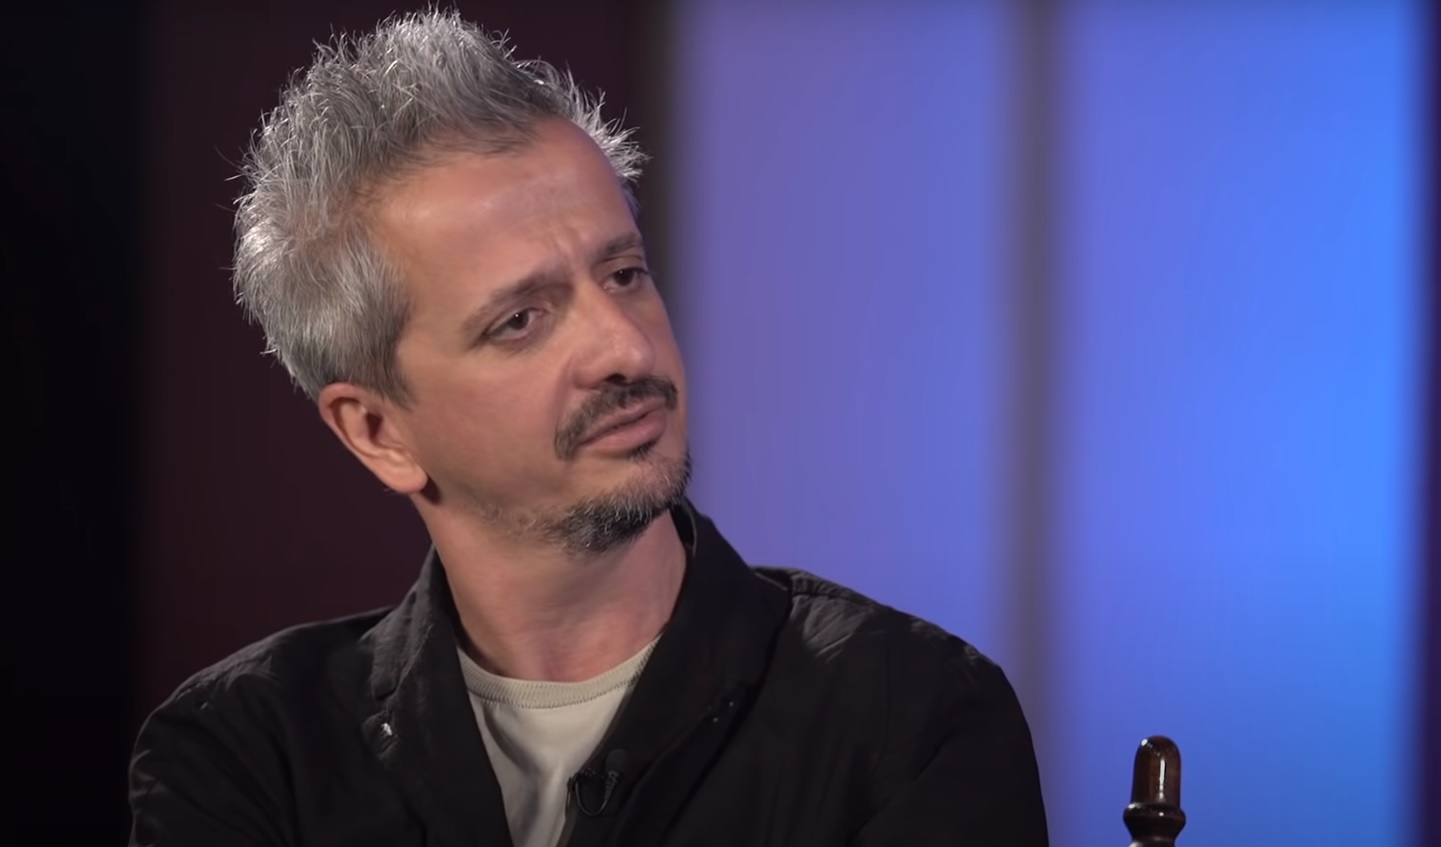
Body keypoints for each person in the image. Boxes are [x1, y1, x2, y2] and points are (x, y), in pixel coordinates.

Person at [127, 10, 1048, 847]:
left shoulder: (907, 717)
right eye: (520, 320)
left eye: (623, 274)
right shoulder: (246, 757)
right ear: (377, 431)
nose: (625, 346)